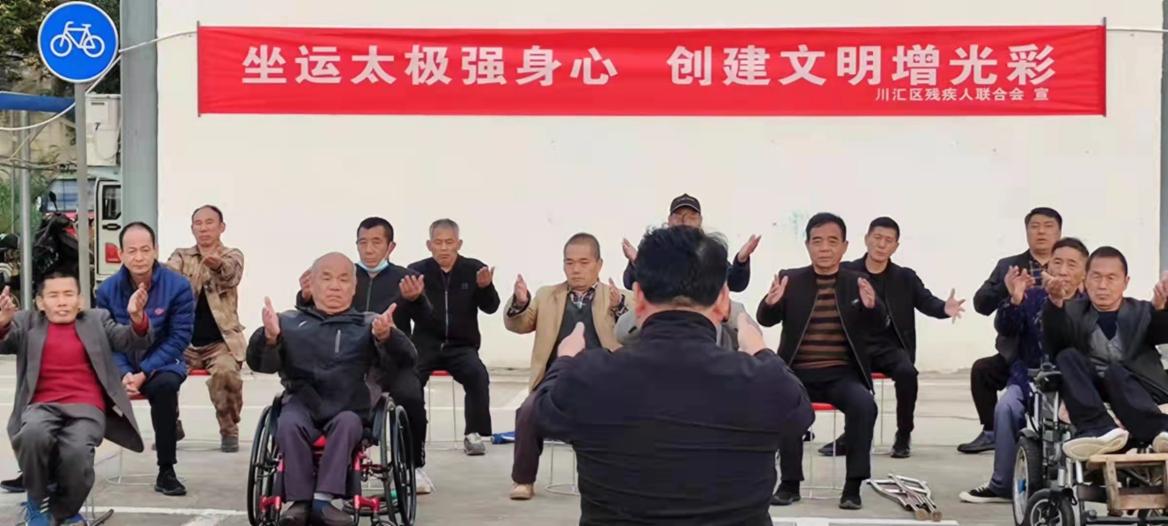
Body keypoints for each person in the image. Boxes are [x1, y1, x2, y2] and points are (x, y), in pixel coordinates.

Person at [535, 226, 813, 525]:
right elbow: (799, 412)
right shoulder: (761, 381)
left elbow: (541, 413)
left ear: (639, 298)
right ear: (723, 301)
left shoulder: (590, 376)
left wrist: (565, 359)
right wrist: (760, 350)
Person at [248, 252, 418, 526]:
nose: (335, 286)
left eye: (343, 279)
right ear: (311, 284)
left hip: (350, 405)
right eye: (326, 279)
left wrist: (387, 337)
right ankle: (300, 502)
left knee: (347, 424)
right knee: (288, 424)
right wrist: (269, 339)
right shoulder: (288, 322)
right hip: (302, 402)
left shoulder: (370, 324)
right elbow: (262, 364)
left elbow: (406, 361)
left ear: (354, 287)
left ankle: (323, 500)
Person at [757, 212, 886, 510]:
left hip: (841, 376)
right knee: (785, 404)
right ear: (807, 245)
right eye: (817, 241)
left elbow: (879, 325)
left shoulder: (857, 282)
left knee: (865, 405)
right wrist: (771, 302)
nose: (824, 248)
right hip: (797, 374)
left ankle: (852, 487)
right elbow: (766, 318)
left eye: (832, 241)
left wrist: (872, 306)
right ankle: (789, 485)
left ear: (844, 246)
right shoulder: (791, 279)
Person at [296, 216, 433, 493]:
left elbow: (429, 322)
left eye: (376, 242)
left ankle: (414, 466)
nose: (368, 249)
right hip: (350, 360)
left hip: (391, 359)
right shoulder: (343, 275)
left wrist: (417, 300)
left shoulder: (405, 279)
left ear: (390, 246)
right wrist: (305, 297)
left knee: (410, 395)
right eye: (363, 242)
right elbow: (312, 313)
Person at [5, 274, 151, 525]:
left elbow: (130, 340)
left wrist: (137, 318)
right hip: (40, 406)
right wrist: (2, 323)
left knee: (76, 453)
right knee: (31, 435)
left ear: (80, 300)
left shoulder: (97, 319)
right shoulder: (26, 322)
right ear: (40, 303)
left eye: (68, 294)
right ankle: (37, 503)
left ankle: (63, 511)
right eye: (53, 296)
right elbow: (4, 343)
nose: (62, 302)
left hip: (86, 407)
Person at [821, 217, 966, 459]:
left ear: (895, 246)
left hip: (891, 347)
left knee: (907, 373)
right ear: (867, 239)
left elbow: (926, 301)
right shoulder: (846, 272)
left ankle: (903, 434)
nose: (881, 245)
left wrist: (944, 308)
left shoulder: (905, 277)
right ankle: (852, 434)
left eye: (888, 240)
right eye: (877, 238)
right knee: (848, 377)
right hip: (854, 346)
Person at [503, 233, 631, 501]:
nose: (576, 269)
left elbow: (635, 333)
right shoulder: (547, 295)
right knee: (527, 411)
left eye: (584, 262)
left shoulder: (618, 296)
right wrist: (520, 302)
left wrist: (620, 308)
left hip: (604, 380)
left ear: (599, 264)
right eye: (569, 262)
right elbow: (519, 324)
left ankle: (620, 480)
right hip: (556, 380)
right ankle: (523, 480)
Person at [960, 237, 1088, 503]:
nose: (1063, 270)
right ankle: (1002, 484)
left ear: (1084, 273)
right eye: (1057, 263)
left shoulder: (1091, 303)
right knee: (1006, 408)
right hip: (1029, 377)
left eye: (1072, 264)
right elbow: (1006, 328)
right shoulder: (1032, 296)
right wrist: (1015, 299)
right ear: (1047, 267)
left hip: (1075, 383)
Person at [96, 222, 195, 497]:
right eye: (131, 251)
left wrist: (145, 372)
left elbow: (179, 338)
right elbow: (106, 339)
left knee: (165, 387)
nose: (139, 257)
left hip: (163, 363)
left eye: (145, 249)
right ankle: (60, 469)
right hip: (122, 365)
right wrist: (124, 372)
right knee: (80, 387)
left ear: (156, 251)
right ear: (120, 254)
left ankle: (166, 470)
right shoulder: (106, 291)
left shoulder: (179, 287)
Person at [1043, 247, 1168, 461]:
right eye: (1096, 277)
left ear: (1125, 282)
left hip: (1135, 388)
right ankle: (1100, 429)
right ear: (1085, 279)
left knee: (1115, 372)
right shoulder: (1071, 311)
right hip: (1092, 391)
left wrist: (1163, 308)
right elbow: (1054, 346)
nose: (1102, 285)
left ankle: (1160, 430)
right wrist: (1055, 303)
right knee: (1066, 356)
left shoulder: (1142, 311)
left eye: (1111, 278)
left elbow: (1161, 332)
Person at [960, 207, 1063, 454]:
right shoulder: (1009, 266)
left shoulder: (1069, 265)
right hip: (1016, 353)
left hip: (1059, 352)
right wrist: (1006, 289)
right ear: (1026, 231)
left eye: (1048, 226)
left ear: (1059, 232)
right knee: (982, 370)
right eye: (1035, 226)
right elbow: (981, 304)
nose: (1041, 232)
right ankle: (991, 432)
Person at [408, 219, 499, 457]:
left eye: (449, 242)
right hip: (425, 345)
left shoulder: (474, 269)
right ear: (429, 245)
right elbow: (406, 312)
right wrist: (413, 298)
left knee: (478, 375)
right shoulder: (416, 271)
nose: (444, 248)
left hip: (461, 346)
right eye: (438, 242)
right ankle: (414, 436)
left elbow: (491, 307)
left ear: (459, 244)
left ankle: (474, 434)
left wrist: (485, 288)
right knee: (410, 381)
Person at [165, 205, 246, 453]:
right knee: (162, 373)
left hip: (221, 342)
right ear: (192, 228)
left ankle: (229, 429)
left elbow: (231, 274)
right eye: (198, 223)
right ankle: (169, 426)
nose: (204, 228)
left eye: (209, 222)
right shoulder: (181, 256)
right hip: (184, 342)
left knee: (226, 373)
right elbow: (167, 277)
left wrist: (217, 265)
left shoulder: (232, 255)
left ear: (221, 227)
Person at [620, 193, 759, 292]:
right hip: (662, 313)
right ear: (669, 220)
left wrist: (741, 260)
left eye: (691, 217)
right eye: (679, 216)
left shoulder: (709, 251)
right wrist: (637, 262)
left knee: (737, 314)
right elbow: (629, 282)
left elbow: (735, 284)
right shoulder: (657, 247)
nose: (684, 221)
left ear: (700, 221)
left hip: (703, 315)